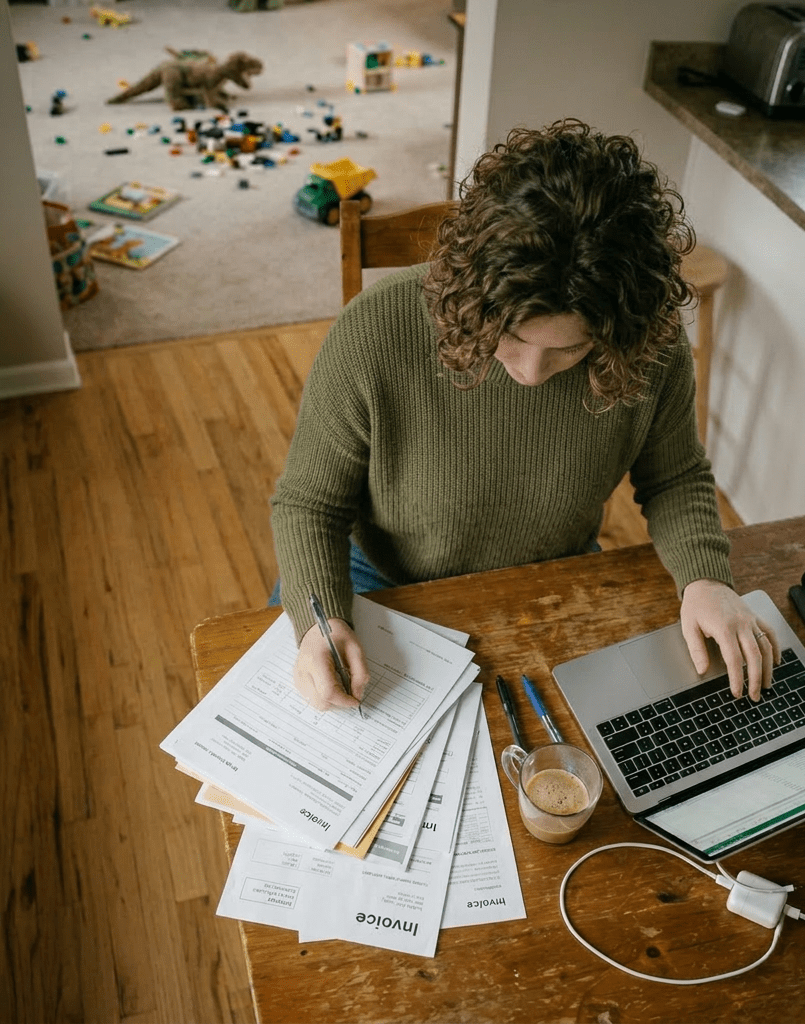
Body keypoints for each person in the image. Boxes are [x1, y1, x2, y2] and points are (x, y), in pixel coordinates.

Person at [270, 119, 779, 714]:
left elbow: (674, 477)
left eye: (571, 347)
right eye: (511, 336)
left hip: (550, 578)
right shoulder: (376, 330)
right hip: (381, 578)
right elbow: (309, 503)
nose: (534, 373)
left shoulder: (647, 346)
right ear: (471, 296)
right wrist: (318, 621)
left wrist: (706, 579)